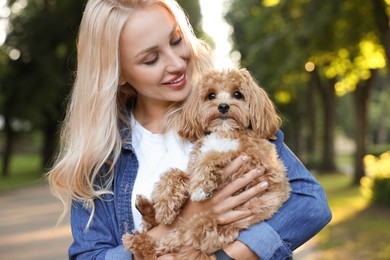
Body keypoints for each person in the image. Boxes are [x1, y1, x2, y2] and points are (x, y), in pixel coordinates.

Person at [47, 0, 332, 259]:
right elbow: (89, 255)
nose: (176, 63)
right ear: (118, 73)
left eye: (176, 40)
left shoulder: (234, 118)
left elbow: (310, 204)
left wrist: (227, 256)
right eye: (151, 59)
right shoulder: (103, 159)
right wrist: (181, 221)